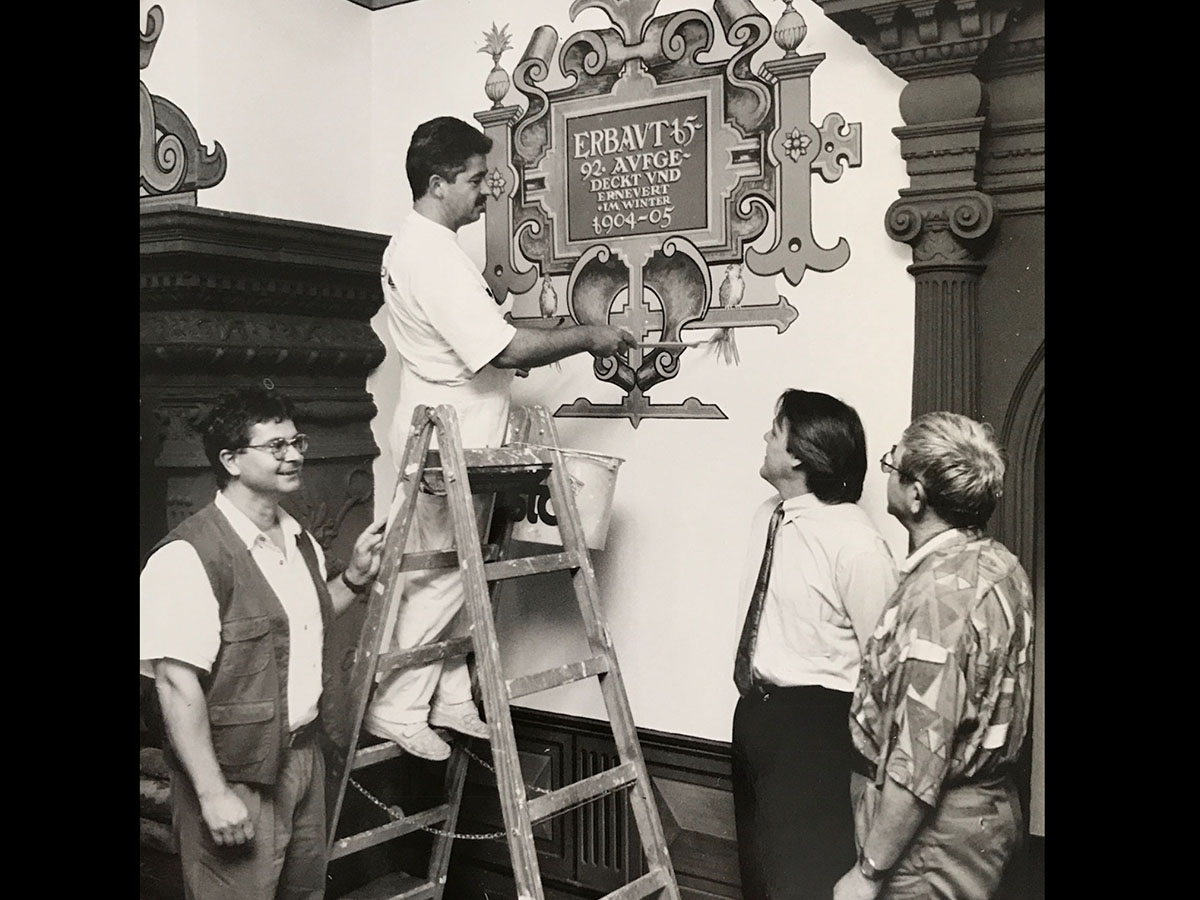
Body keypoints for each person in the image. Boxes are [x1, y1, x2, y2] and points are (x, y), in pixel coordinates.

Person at [364, 116, 637, 761]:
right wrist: (589, 333)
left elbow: (487, 333)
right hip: (446, 444)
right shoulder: (430, 256)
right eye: (477, 179)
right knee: (443, 575)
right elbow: (507, 349)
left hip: (460, 439)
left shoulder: (426, 250)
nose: (488, 191)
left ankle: (452, 694)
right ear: (438, 183)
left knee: (464, 567)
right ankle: (396, 707)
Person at [139, 387, 387, 900]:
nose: (294, 455)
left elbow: (300, 623)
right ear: (230, 460)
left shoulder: (298, 539)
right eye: (275, 446)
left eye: (296, 441)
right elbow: (173, 681)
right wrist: (212, 794)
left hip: (302, 759)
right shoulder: (188, 556)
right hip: (236, 773)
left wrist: (356, 579)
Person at [833, 412, 1034, 900]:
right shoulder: (1000, 564)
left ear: (917, 495)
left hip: (930, 837)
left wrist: (869, 870)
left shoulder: (937, 599)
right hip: (984, 814)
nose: (885, 473)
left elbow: (920, 760)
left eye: (891, 464)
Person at [732, 389, 899, 900]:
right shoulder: (770, 514)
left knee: (802, 883)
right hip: (757, 715)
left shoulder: (857, 543)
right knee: (757, 879)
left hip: (818, 731)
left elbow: (887, 667)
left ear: (801, 453)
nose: (764, 436)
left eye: (775, 429)